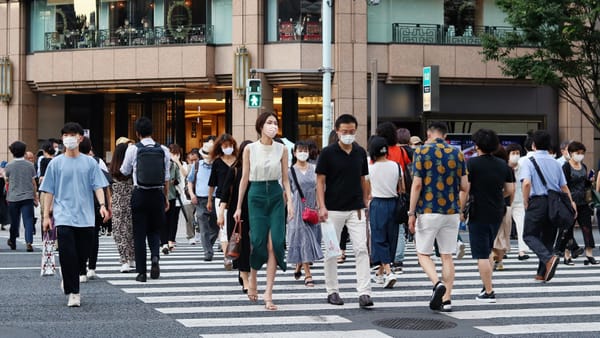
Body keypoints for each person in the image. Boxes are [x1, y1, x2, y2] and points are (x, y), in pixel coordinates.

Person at [40, 122, 109, 307]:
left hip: (86, 217)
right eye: (66, 135)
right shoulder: (55, 164)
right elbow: (48, 191)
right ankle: (74, 292)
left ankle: (69, 277)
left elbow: (98, 186)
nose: (69, 138)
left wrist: (102, 205)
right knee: (67, 253)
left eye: (73, 134)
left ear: (80, 138)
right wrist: (46, 216)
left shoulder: (90, 163)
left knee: (82, 255)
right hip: (63, 216)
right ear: (62, 138)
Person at [233, 112, 293, 311]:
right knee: (257, 240)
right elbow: (244, 179)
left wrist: (290, 203)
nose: (273, 126)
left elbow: (285, 179)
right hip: (256, 194)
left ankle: (269, 292)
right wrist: (239, 206)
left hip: (276, 196)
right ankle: (253, 277)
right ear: (260, 126)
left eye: (275, 123)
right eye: (269, 122)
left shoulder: (282, 149)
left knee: (275, 243)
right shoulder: (250, 149)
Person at [407, 121, 468, 312]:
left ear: (429, 134)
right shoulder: (457, 153)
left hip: (428, 209)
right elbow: (465, 186)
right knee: (447, 256)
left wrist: (411, 212)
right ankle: (447, 299)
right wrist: (460, 209)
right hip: (450, 211)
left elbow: (417, 184)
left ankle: (436, 284)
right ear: (445, 135)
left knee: (423, 253)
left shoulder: (422, 152)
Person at [316, 114, 374, 309]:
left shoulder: (360, 152)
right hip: (332, 209)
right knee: (332, 252)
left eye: (352, 132)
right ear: (337, 132)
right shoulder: (327, 153)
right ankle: (332, 290)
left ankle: (364, 292)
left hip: (356, 209)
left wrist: (366, 201)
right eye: (344, 132)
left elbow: (363, 179)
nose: (348, 135)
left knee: (361, 249)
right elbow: (320, 182)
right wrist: (321, 206)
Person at [461, 129, 514, 303]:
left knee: (481, 254)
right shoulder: (503, 165)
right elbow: (510, 190)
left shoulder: (472, 164)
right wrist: (498, 196)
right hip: (497, 210)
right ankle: (486, 285)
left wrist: (461, 210)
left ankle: (489, 291)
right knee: (489, 249)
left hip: (478, 210)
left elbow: (466, 189)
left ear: (477, 145)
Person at [520, 130, 576, 282]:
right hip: (554, 202)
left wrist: (525, 201)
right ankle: (541, 273)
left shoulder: (527, 161)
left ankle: (549, 259)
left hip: (537, 201)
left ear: (533, 145)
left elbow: (526, 183)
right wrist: (571, 203)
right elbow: (564, 187)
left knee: (529, 235)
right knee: (548, 238)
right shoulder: (556, 162)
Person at [120, 116, 171, 282]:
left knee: (139, 233)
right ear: (152, 131)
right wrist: (166, 197)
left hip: (140, 193)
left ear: (137, 133)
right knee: (154, 230)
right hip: (157, 194)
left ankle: (141, 273)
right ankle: (155, 257)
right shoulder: (163, 150)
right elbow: (166, 177)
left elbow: (124, 170)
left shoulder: (133, 149)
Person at [287, 140, 324, 287]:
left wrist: (321, 206)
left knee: (312, 237)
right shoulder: (290, 171)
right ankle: (308, 274)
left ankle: (299, 265)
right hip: (297, 208)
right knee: (304, 238)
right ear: (294, 153)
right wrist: (288, 208)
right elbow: (287, 192)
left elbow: (321, 188)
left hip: (312, 207)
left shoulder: (314, 169)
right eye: (300, 150)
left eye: (305, 150)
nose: (303, 153)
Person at [367, 136, 402, 289]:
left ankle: (388, 272)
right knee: (391, 237)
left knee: (379, 238)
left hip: (378, 203)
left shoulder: (370, 169)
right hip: (394, 203)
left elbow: (368, 191)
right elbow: (402, 188)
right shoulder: (396, 166)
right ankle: (380, 274)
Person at [218, 140, 252, 293]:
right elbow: (225, 194)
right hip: (237, 214)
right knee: (242, 247)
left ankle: (243, 272)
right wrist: (221, 214)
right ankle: (246, 278)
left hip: (254, 213)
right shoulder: (235, 170)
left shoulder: (256, 170)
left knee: (252, 246)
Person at [78, 137, 113, 282]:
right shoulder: (98, 162)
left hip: (80, 204)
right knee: (93, 236)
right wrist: (108, 205)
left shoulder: (73, 162)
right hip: (97, 204)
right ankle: (91, 267)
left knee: (80, 236)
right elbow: (105, 185)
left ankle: (81, 270)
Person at [560, 141, 596, 265]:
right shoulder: (566, 167)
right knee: (568, 229)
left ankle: (589, 254)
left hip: (583, 201)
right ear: (570, 153)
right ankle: (567, 255)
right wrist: (570, 201)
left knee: (587, 227)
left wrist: (590, 180)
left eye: (582, 153)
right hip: (570, 202)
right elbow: (563, 186)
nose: (580, 155)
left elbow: (584, 185)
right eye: (577, 153)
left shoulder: (584, 166)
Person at [208, 133, 238, 269]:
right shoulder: (217, 162)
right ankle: (227, 257)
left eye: (230, 145)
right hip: (220, 198)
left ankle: (236, 254)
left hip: (236, 197)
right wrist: (209, 200)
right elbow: (212, 184)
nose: (228, 148)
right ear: (220, 146)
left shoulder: (238, 160)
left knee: (236, 227)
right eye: (225, 145)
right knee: (224, 228)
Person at [5, 141, 39, 251]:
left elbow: (7, 180)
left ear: (12, 152)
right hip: (27, 197)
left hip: (13, 197)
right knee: (28, 220)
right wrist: (35, 196)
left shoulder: (9, 166)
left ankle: (13, 240)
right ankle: (29, 242)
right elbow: (33, 182)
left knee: (14, 221)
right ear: (24, 152)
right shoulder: (30, 165)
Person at [188, 141, 218, 262]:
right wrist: (191, 194)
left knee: (215, 227)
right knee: (203, 226)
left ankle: (208, 245)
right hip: (200, 199)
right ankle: (208, 252)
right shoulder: (197, 165)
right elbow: (190, 181)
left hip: (216, 199)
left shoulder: (218, 165)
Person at [110, 142, 135, 273]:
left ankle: (124, 259)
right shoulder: (131, 169)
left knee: (119, 232)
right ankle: (131, 258)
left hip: (117, 203)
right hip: (132, 201)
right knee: (131, 230)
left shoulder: (112, 170)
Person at [490, 146, 515, 272]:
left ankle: (495, 258)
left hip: (490, 205)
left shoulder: (489, 167)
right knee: (502, 235)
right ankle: (499, 260)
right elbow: (511, 190)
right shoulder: (508, 169)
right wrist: (509, 203)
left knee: (494, 235)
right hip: (504, 206)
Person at [507, 142, 531, 260]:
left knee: (521, 225)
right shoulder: (504, 167)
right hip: (505, 201)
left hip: (519, 200)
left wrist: (526, 199)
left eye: (517, 153)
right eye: (513, 153)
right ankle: (504, 250)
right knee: (505, 227)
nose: (515, 155)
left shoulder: (522, 168)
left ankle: (522, 251)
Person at [161, 144, 183, 255]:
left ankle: (169, 241)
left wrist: (175, 181)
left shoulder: (174, 165)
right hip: (161, 196)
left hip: (172, 195)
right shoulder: (159, 165)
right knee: (162, 220)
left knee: (171, 220)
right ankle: (164, 242)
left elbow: (178, 179)